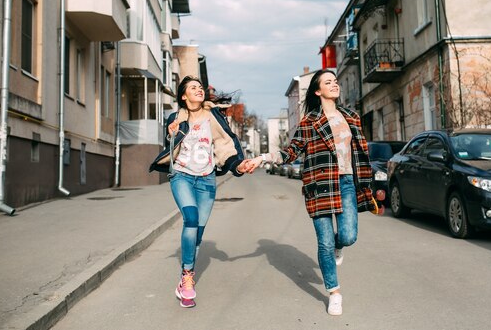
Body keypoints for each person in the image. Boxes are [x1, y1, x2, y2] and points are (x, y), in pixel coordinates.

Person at [242, 69, 377, 316]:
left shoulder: (352, 117)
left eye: (336, 81)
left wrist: (368, 183)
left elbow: (362, 154)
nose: (335, 85)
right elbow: (290, 152)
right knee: (324, 242)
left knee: (348, 235)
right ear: (318, 90)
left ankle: (340, 247)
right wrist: (263, 157)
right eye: (329, 82)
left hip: (347, 182)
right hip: (319, 185)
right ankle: (334, 292)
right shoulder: (309, 121)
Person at [149, 76, 246, 308]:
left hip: (207, 180)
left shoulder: (214, 117)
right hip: (181, 176)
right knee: (190, 219)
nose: (198, 90)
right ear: (183, 95)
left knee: (198, 233)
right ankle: (187, 276)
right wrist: (171, 132)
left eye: (200, 87)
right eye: (193, 88)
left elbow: (224, 144)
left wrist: (237, 165)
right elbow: (170, 139)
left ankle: (186, 273)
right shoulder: (176, 118)